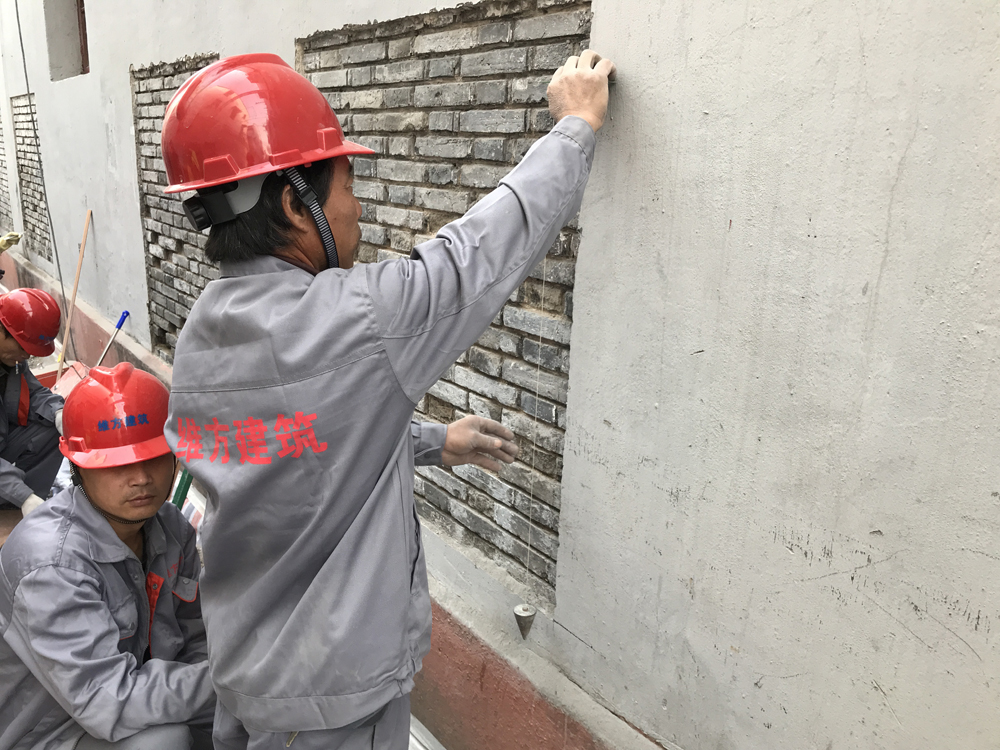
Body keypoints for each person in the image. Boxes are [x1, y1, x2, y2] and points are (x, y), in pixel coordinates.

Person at [161, 49, 615, 749]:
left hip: (247, 681)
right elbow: (481, 251)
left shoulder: (203, 332)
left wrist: (434, 442)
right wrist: (576, 124)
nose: (358, 208)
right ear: (295, 204)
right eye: (347, 186)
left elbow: (298, 443)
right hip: (331, 706)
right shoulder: (357, 318)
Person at [0, 363, 215, 750]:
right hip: (51, 733)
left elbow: (194, 639)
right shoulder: (51, 565)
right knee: (165, 743)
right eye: (117, 465)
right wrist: (229, 681)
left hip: (135, 701)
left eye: (154, 457)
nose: (141, 478)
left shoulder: (171, 530)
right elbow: (107, 700)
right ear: (79, 467)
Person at [0, 288, 64, 517]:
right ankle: (22, 500)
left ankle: (19, 508)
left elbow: (33, 393)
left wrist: (59, 413)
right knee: (20, 494)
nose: (26, 356)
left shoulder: (11, 359)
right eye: (22, 348)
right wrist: (22, 495)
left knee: (53, 428)